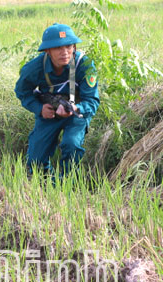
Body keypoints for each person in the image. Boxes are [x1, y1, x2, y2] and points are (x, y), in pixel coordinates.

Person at [14, 23, 100, 176]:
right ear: (47, 50)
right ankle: (48, 185)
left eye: (68, 47)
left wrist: (76, 108)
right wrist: (39, 109)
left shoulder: (85, 66)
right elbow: (22, 91)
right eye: (58, 48)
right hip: (50, 114)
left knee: (71, 144)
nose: (65, 52)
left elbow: (92, 101)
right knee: (35, 162)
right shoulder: (34, 68)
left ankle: (69, 184)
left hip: (77, 113)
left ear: (74, 46)